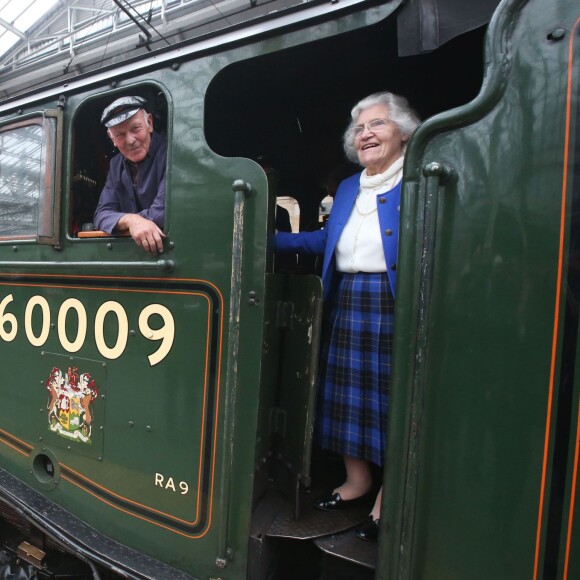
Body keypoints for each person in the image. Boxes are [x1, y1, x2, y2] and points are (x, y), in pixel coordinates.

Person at [275, 92, 420, 541]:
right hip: (349, 297)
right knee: (345, 398)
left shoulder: (417, 178)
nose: (366, 135)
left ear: (403, 131)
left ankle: (387, 498)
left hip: (397, 300)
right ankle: (357, 482)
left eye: (376, 125)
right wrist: (270, 238)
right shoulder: (349, 187)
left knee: (391, 402)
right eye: (359, 129)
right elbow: (327, 243)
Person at [94, 95, 167, 255]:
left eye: (136, 128)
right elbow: (101, 214)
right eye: (120, 135)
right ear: (111, 138)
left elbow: (163, 213)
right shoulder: (115, 164)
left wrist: (119, 221)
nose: (130, 140)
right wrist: (131, 220)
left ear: (150, 123)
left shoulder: (171, 153)